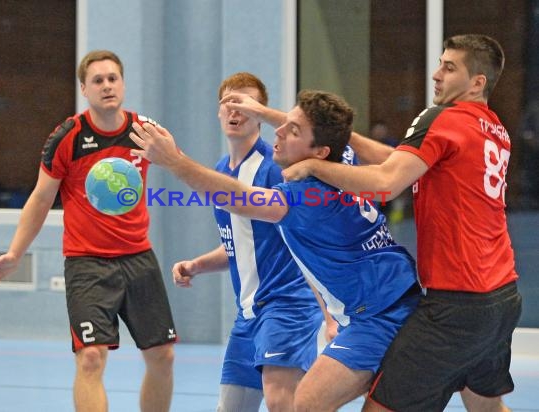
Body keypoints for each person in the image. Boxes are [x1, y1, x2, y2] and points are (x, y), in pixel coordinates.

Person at [129, 89, 421, 411]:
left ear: (319, 152)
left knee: (306, 402)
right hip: (393, 300)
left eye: (293, 130)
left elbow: (236, 196)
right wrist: (263, 112)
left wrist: (173, 160)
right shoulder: (342, 160)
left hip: (379, 315)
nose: (278, 131)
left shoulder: (305, 196)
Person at [277, 34, 522, 411]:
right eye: (440, 63)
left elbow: (387, 181)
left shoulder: (441, 118)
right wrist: (339, 136)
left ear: (478, 82)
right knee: (486, 406)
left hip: (457, 302)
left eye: (449, 67)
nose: (436, 74)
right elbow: (402, 161)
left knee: (381, 405)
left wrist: (312, 165)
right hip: (502, 295)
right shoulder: (494, 130)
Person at [0, 50, 177, 412]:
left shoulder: (146, 132)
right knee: (90, 358)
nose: (106, 86)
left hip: (138, 258)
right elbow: (40, 199)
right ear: (84, 89)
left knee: (162, 355)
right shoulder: (67, 137)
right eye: (98, 81)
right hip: (87, 263)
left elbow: (180, 166)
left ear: (123, 84)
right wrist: (15, 252)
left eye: (113, 78)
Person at [172, 72, 325, 412]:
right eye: (229, 102)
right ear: (218, 111)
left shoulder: (276, 168)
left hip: (287, 305)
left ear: (260, 113)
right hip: (249, 313)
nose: (235, 110)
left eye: (245, 103)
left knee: (280, 401)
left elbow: (307, 239)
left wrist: (326, 310)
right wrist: (198, 264)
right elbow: (243, 246)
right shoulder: (221, 171)